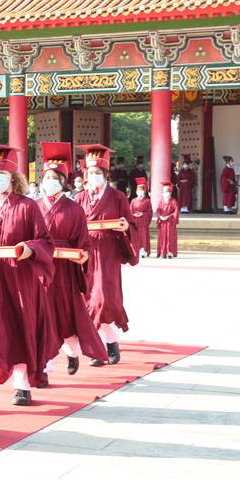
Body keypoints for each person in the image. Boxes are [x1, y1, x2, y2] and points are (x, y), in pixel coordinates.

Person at [0, 145, 59, 408]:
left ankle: (22, 387)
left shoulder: (28, 207)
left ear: (13, 177)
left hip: (20, 279)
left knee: (21, 330)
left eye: (3, 173)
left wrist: (30, 248)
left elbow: (45, 240)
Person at [35, 143, 109, 376]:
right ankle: (43, 367)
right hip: (40, 269)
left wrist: (82, 255)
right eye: (46, 177)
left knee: (65, 315)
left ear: (64, 181)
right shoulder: (34, 206)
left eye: (55, 178)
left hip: (65, 270)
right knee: (41, 316)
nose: (50, 182)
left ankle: (72, 352)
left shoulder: (74, 209)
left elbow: (83, 242)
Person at [75, 145, 138, 367]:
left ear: (106, 174)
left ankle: (108, 343)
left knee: (105, 298)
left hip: (108, 250)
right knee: (89, 299)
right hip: (86, 252)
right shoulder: (80, 198)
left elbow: (131, 223)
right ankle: (103, 345)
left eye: (98, 173)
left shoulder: (118, 196)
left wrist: (124, 227)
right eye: (91, 173)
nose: (95, 177)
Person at [129, 178, 153, 258]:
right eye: (138, 190)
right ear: (136, 191)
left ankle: (143, 250)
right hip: (135, 221)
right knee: (135, 236)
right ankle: (135, 250)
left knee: (143, 236)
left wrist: (142, 213)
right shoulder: (133, 201)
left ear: (144, 191)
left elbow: (149, 212)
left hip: (143, 221)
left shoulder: (147, 201)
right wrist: (133, 215)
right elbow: (130, 210)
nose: (140, 192)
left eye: (141, 190)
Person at [156, 181, 180, 258]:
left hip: (170, 223)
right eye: (163, 191)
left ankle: (170, 252)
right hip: (163, 222)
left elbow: (175, 212)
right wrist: (160, 216)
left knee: (170, 237)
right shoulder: (160, 201)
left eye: (166, 191)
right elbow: (158, 210)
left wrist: (168, 216)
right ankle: (163, 251)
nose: (165, 193)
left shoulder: (173, 202)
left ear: (170, 192)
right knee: (162, 237)